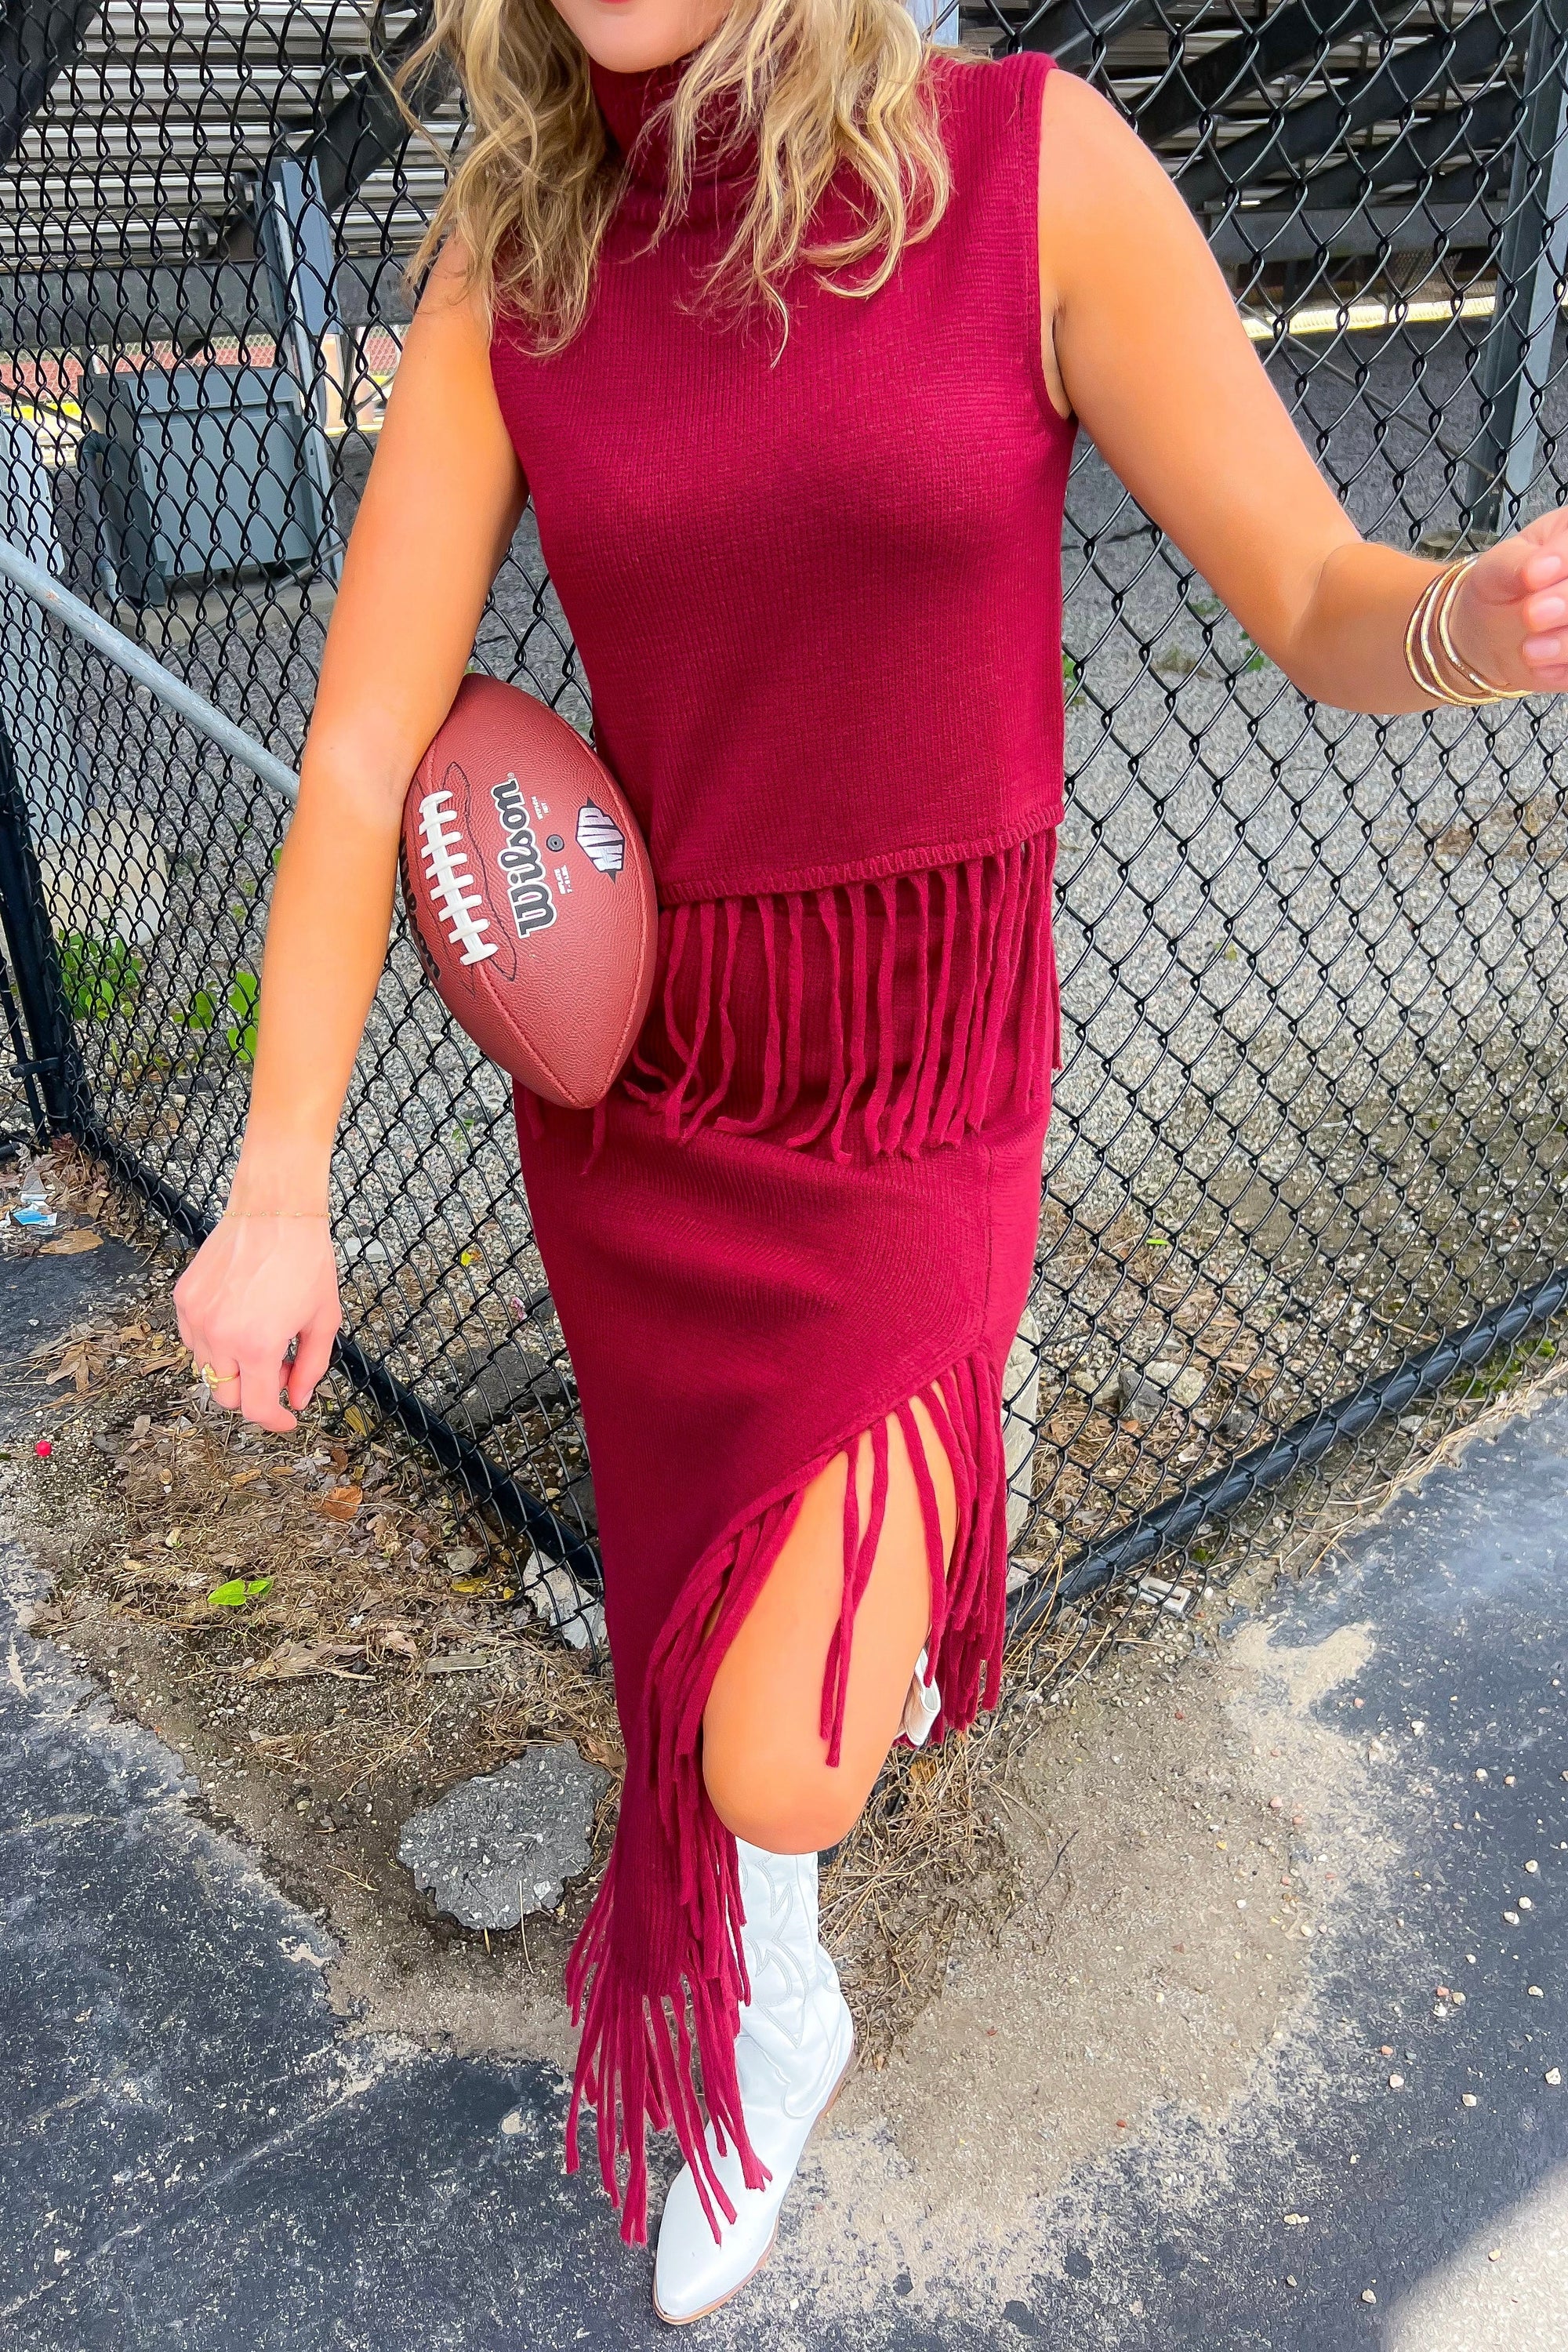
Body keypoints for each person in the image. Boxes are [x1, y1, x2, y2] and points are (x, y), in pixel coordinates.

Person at [172, 0, 1568, 2321]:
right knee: (708, 1622)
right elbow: (358, 757)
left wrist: (1470, 622)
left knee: (786, 1758)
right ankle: (772, 1974)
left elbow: (1317, 601)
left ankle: (800, 1830)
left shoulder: (1031, 169)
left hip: (920, 1078)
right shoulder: (510, 254)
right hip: (652, 1090)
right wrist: (284, 1174)